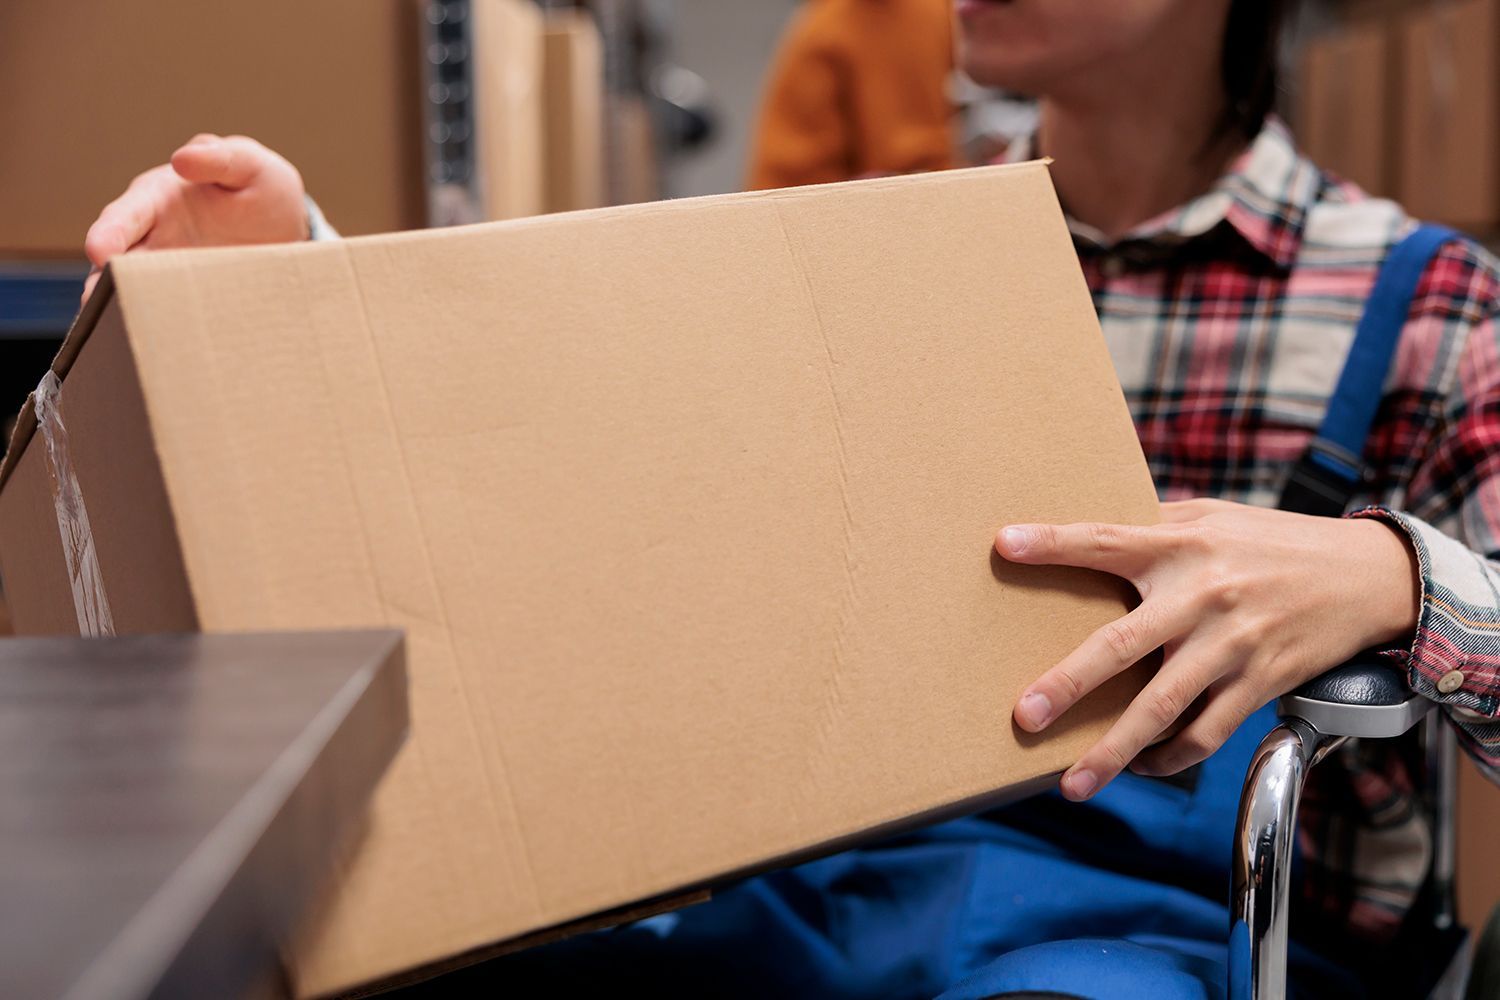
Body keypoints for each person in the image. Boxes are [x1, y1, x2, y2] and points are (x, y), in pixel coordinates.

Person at [82, 0, 1500, 995]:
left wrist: (1395, 578)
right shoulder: (892, 255)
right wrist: (293, 288)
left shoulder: (1418, 299)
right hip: (833, 890)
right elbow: (579, 480)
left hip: (1192, 933)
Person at [745, 0, 956, 190]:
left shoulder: (947, 12)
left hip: (926, 199)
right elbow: (791, 183)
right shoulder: (829, 31)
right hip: (882, 211)